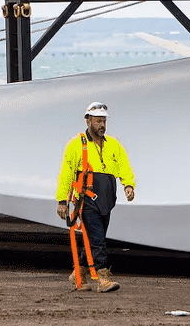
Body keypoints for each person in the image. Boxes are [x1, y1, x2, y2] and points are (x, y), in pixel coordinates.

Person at [55, 101, 136, 293]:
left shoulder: (114, 145)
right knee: (98, 239)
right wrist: (62, 201)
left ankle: (78, 273)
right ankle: (102, 277)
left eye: (104, 121)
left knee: (93, 239)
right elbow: (66, 173)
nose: (102, 125)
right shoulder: (76, 144)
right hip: (87, 201)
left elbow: (124, 166)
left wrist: (128, 185)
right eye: (98, 121)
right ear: (88, 121)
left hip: (107, 201)